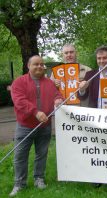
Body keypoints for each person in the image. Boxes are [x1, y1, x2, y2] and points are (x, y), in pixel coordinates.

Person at [9, 55, 64, 196]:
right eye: (36, 64)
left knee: (42, 154)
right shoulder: (19, 82)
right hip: (25, 126)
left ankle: (39, 179)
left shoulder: (49, 83)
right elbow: (19, 101)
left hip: (44, 126)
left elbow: (57, 95)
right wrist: (35, 112)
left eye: (41, 64)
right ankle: (19, 184)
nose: (39, 66)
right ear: (29, 66)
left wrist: (58, 100)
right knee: (20, 155)